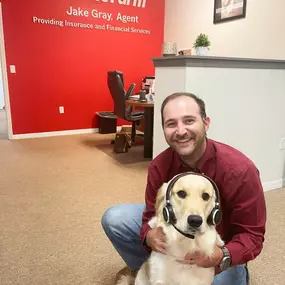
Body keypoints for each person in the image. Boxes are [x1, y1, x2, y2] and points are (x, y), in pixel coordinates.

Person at [101, 92, 266, 285]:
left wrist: (223, 255)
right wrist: (148, 235)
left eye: (189, 120)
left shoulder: (241, 171)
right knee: (115, 219)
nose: (180, 131)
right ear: (163, 129)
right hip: (175, 241)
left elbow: (253, 236)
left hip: (218, 250)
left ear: (206, 123)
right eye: (171, 124)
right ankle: (146, 268)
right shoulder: (159, 166)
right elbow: (149, 215)